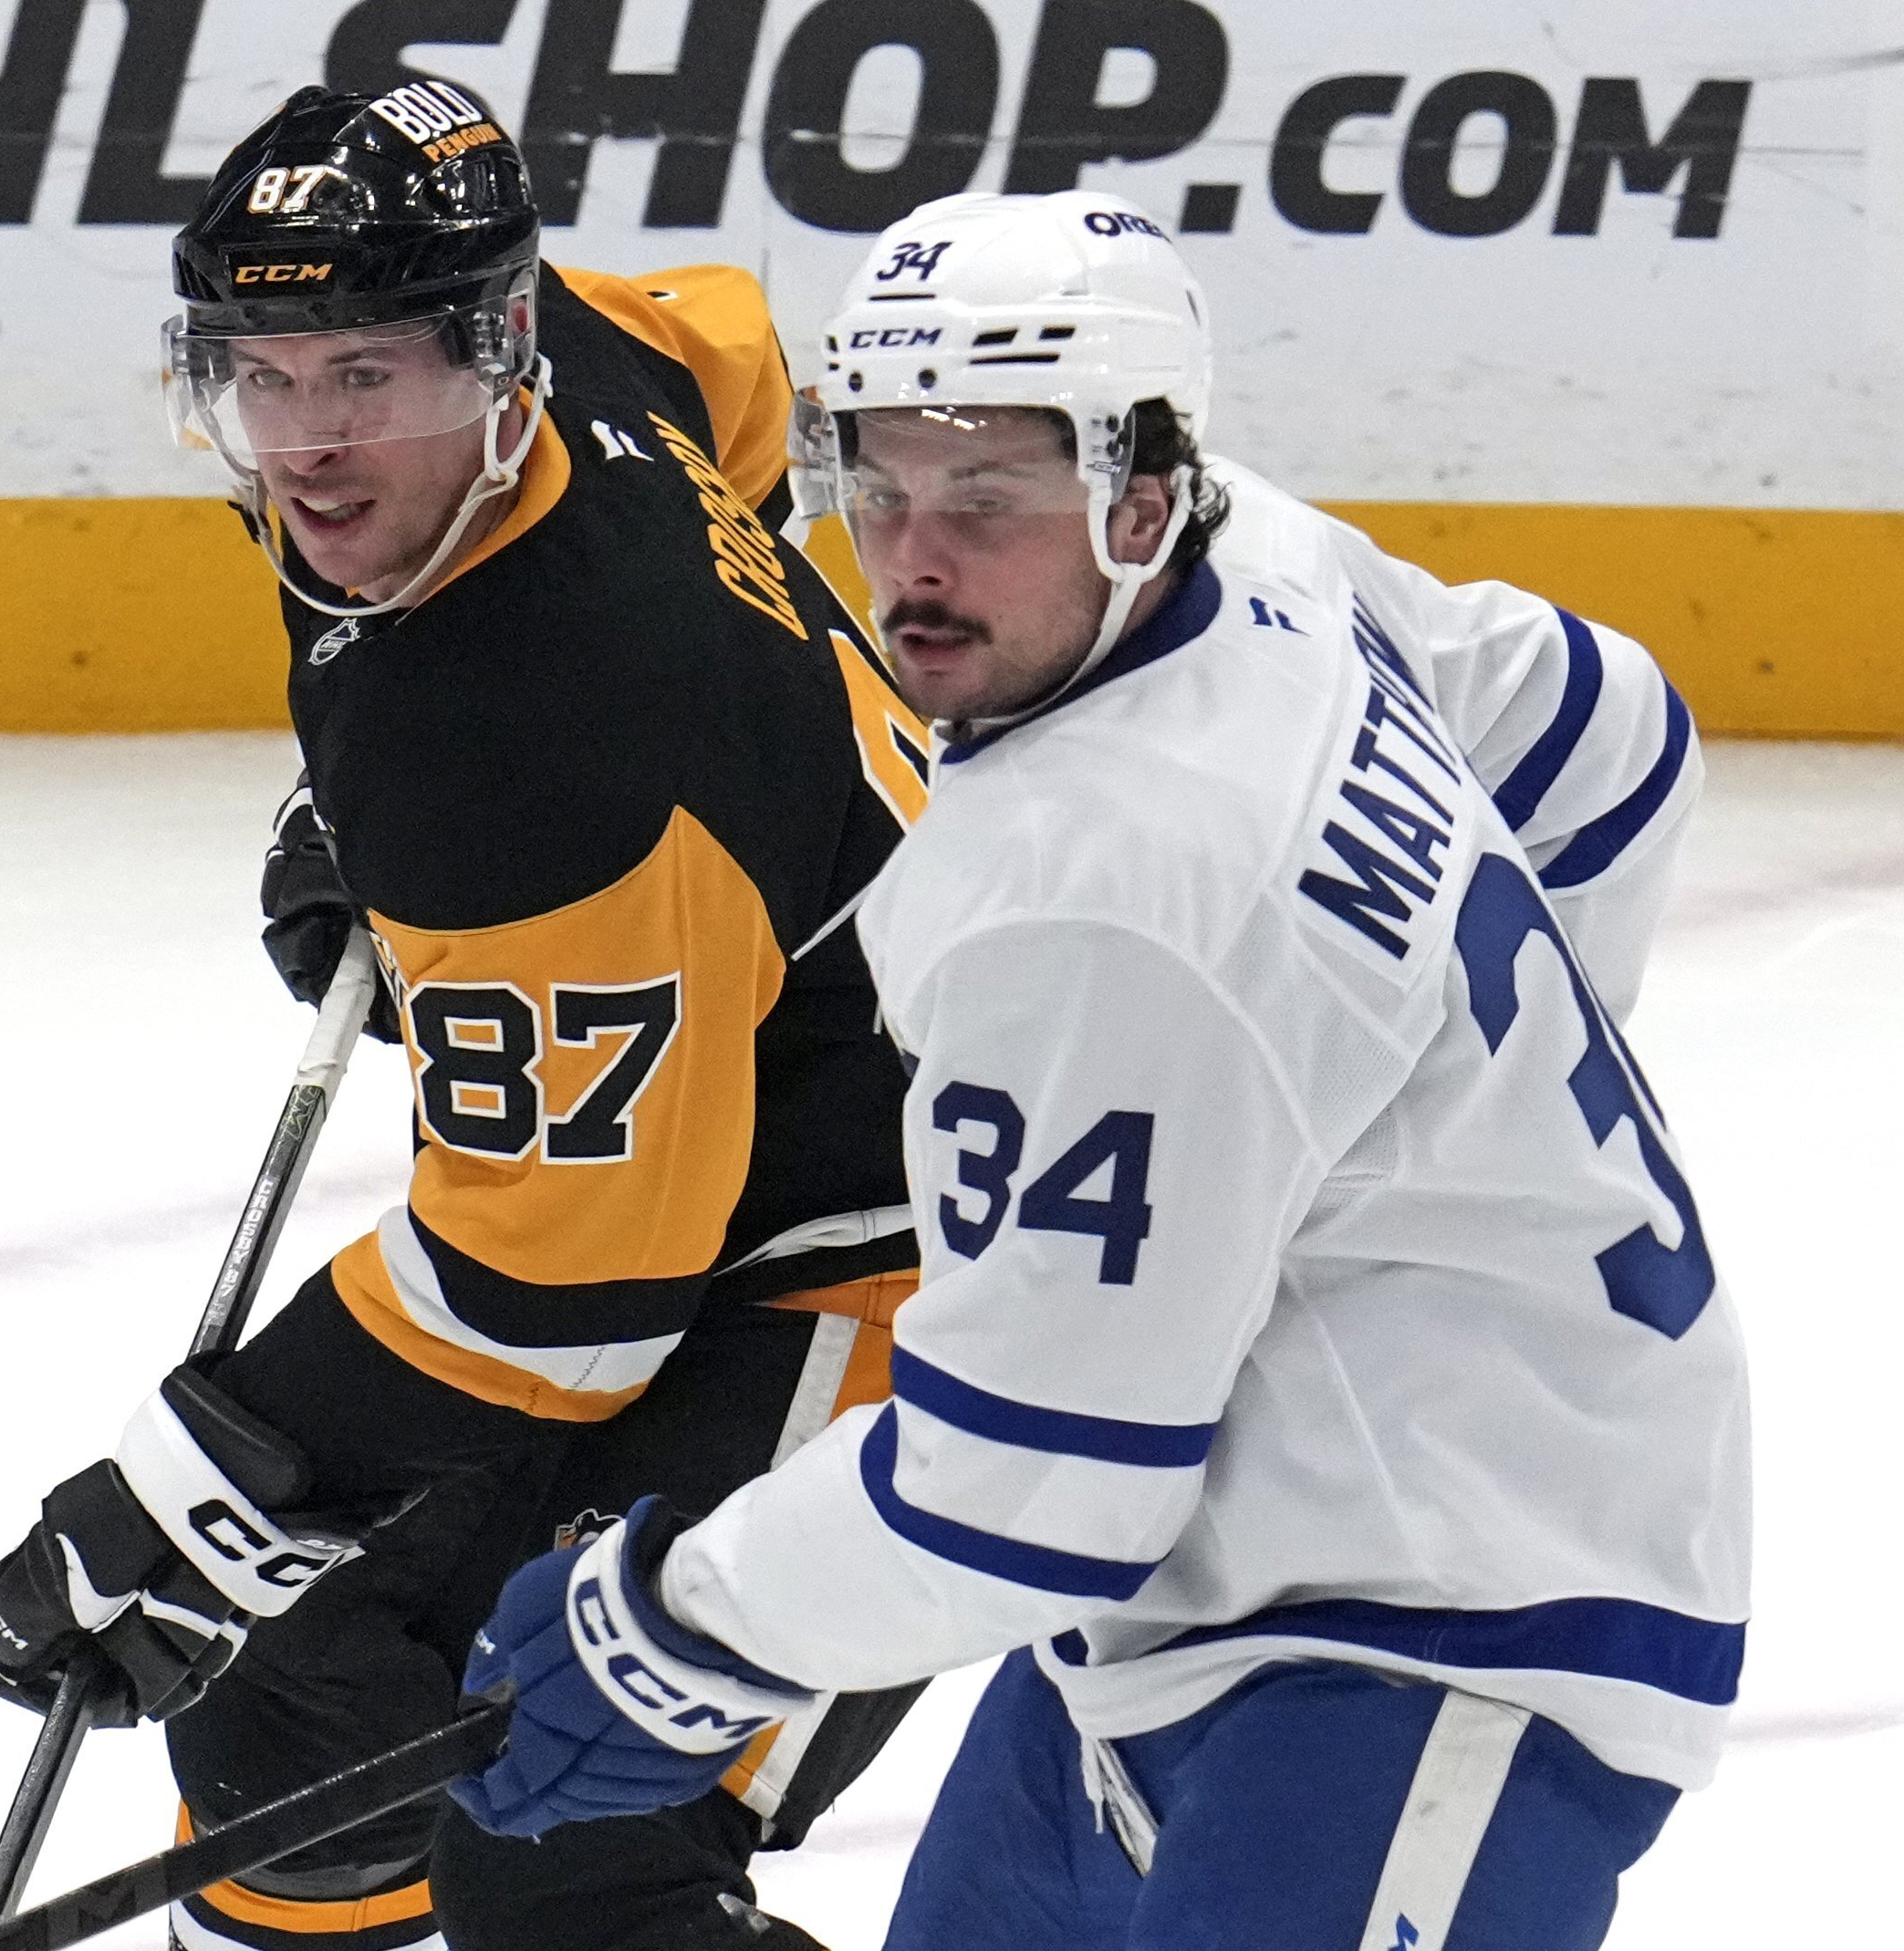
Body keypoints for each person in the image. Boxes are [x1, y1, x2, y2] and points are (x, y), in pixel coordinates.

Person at [451, 190, 1752, 1951]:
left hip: (1451, 1624)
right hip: (1190, 1579)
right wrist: (1453, 1136)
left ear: (1139, 489)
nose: (914, 558)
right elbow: (1605, 732)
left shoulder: (1107, 904)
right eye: (883, 484)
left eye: (986, 499)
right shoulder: (1260, 563)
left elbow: (1019, 1491)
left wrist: (675, 1626)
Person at [0, 85, 937, 1951]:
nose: (317, 450)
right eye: (267, 375)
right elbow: (731, 359)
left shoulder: (542, 759)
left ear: (494, 357)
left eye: (370, 382)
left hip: (925, 1252)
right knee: (291, 1705)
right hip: (721, 1129)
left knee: (576, 1824)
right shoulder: (555, 361)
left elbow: (553, 1296)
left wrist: (193, 1488)